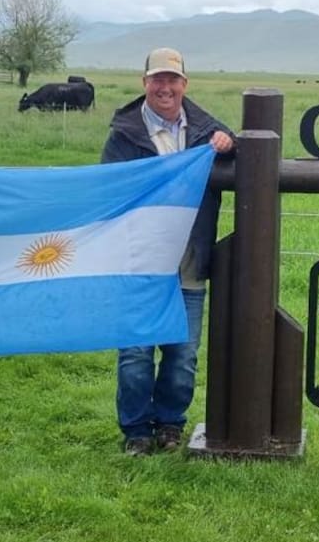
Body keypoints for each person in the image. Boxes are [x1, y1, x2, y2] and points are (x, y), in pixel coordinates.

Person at [100, 47, 237, 455]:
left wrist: (229, 145)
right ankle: (137, 431)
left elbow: (246, 153)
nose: (165, 87)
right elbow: (111, 190)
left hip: (189, 264)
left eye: (172, 79)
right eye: (157, 79)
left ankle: (170, 424)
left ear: (184, 84)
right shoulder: (124, 136)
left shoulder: (203, 131)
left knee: (183, 356)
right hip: (140, 267)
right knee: (136, 356)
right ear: (144, 84)